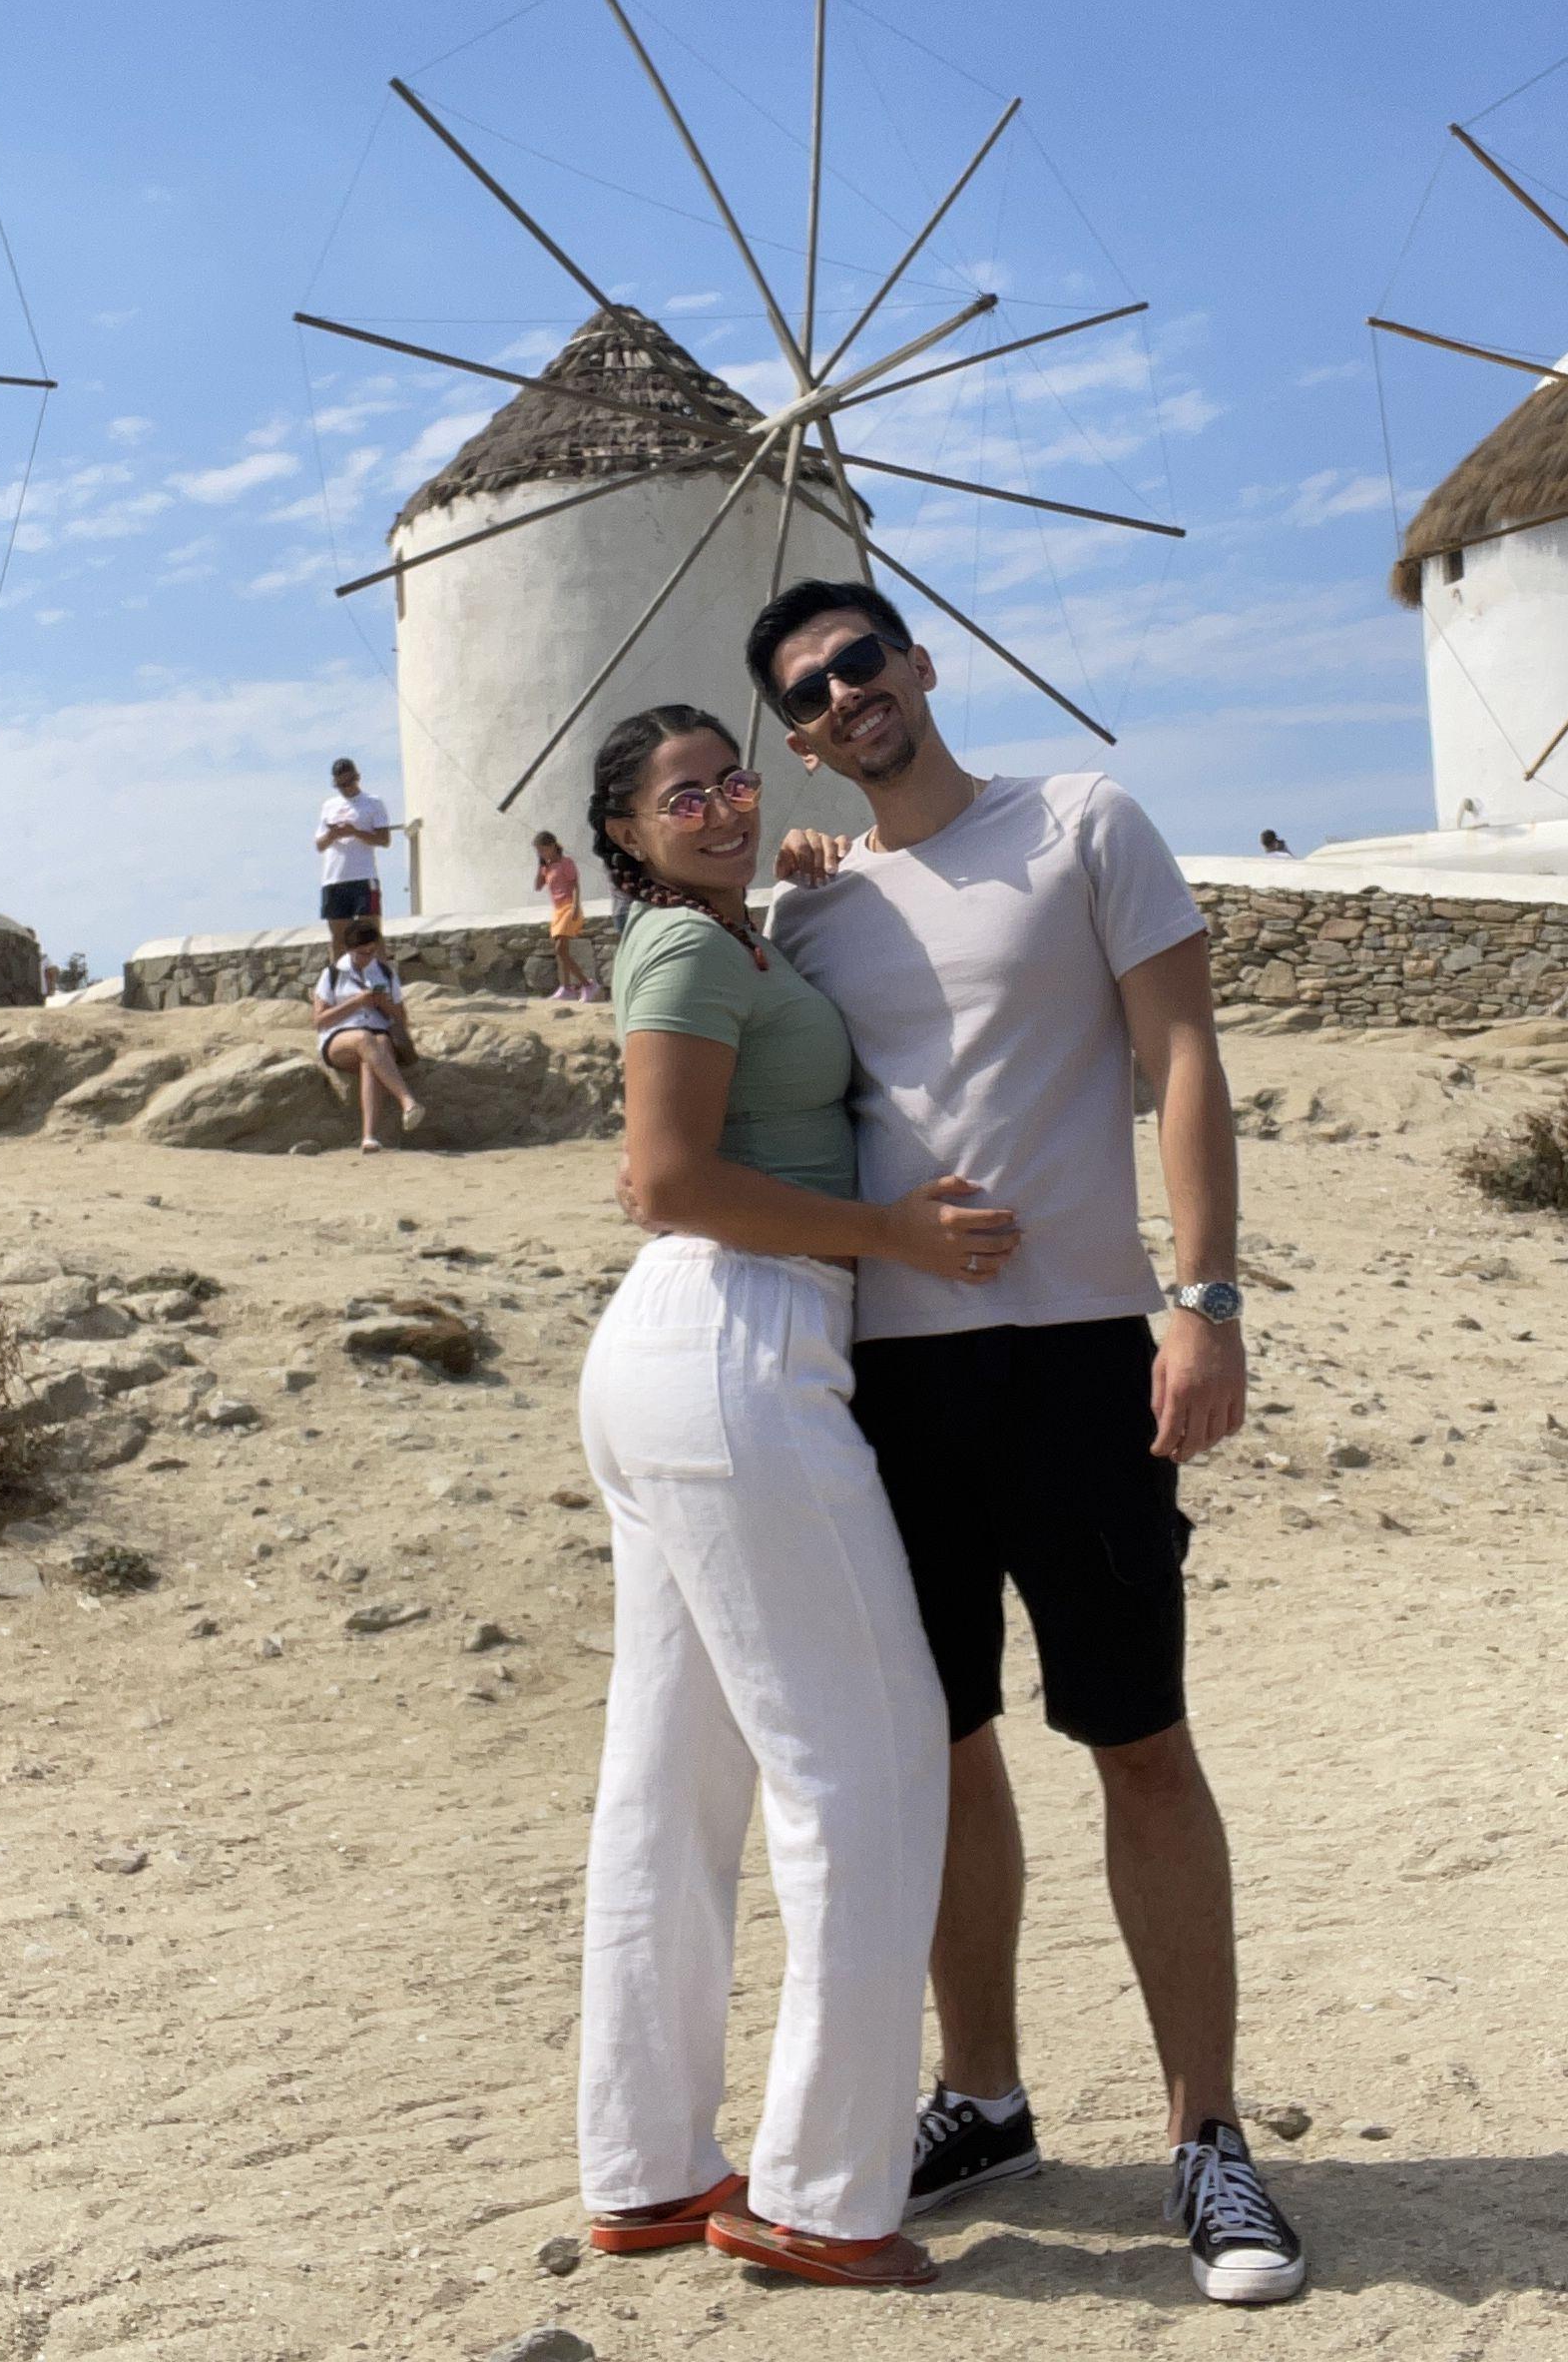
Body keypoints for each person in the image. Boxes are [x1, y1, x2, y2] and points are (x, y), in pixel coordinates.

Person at [743, 576, 1310, 2307]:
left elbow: (1182, 1050)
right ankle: (978, 2094)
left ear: (921, 663)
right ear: (794, 737)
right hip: (886, 1386)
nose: (844, 699)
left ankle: (1206, 2134)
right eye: (808, 693)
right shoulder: (811, 918)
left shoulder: (1079, 820)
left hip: (1075, 1357)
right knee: (941, 1747)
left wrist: (1201, 1297)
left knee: (1136, 1734)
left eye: (861, 662)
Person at [575, 702, 1022, 2291]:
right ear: (624, 832)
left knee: (673, 1777)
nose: (718, 804)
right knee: (873, 1760)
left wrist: (811, 875)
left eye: (732, 778)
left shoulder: (733, 937)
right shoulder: (688, 958)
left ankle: (645, 2168)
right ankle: (826, 2194)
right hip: (737, 1339)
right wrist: (894, 1238)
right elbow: (664, 1178)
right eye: (680, 794)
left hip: (686, 1354)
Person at [311, 915, 422, 1151]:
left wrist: (384, 1004)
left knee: (375, 1049)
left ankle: (369, 1136)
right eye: (362, 953)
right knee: (365, 1039)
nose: (367, 957)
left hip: (377, 1034)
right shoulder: (332, 974)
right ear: (350, 950)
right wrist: (357, 1002)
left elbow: (401, 1018)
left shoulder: (384, 971)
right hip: (340, 1038)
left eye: (372, 952)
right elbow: (320, 1021)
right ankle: (407, 1100)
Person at [313, 758, 392, 926]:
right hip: (334, 879)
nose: (346, 788)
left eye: (349, 782)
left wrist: (355, 832)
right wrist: (333, 834)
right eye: (341, 785)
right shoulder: (329, 806)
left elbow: (384, 840)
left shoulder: (373, 803)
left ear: (357, 777)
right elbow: (319, 845)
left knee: (370, 933)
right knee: (338, 937)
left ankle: (379, 955)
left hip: (363, 877)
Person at [533, 831, 603, 1003]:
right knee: (562, 951)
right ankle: (566, 988)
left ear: (551, 847)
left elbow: (575, 885)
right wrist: (540, 865)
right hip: (557, 911)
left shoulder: (566, 863)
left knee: (560, 949)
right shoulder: (546, 867)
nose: (540, 854)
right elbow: (537, 886)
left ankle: (587, 984)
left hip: (568, 907)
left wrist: (576, 906)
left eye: (542, 850)